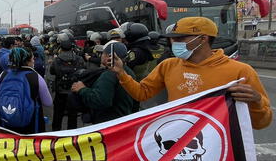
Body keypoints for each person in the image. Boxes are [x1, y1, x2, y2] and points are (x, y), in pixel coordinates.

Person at [111, 17, 272, 130]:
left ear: (203, 39)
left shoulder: (240, 71)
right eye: (172, 39)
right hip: (179, 140)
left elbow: (261, 123)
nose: (174, 43)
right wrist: (121, 74)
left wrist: (256, 101)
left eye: (180, 38)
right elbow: (142, 93)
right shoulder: (168, 65)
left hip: (221, 146)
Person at [71, 41, 136, 124]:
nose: (101, 56)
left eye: (103, 53)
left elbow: (101, 101)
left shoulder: (109, 75)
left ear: (108, 56)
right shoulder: (129, 72)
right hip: (125, 120)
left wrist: (82, 89)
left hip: (108, 124)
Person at [0, 48, 52, 133]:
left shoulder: (3, 75)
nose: (33, 61)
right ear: (27, 61)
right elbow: (48, 102)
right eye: (32, 59)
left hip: (7, 122)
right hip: (31, 123)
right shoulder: (36, 77)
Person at [50, 33, 84, 130]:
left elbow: (52, 71)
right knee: (72, 117)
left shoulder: (57, 60)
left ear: (61, 47)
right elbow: (83, 72)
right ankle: (71, 139)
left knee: (57, 116)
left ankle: (55, 137)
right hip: (74, 91)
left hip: (60, 92)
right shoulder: (79, 59)